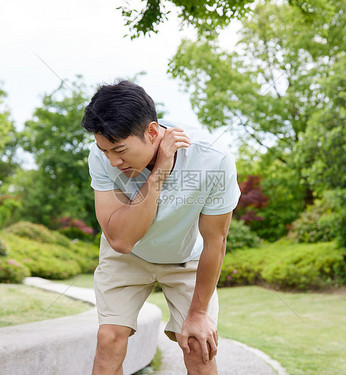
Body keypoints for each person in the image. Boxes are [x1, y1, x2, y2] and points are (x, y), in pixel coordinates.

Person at [81, 80, 241, 375]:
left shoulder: (212, 159)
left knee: (197, 345)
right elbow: (120, 241)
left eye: (119, 150)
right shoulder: (101, 158)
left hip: (186, 259)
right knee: (109, 339)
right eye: (104, 150)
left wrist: (199, 313)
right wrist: (159, 173)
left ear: (153, 132)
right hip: (127, 257)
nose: (113, 161)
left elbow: (215, 241)